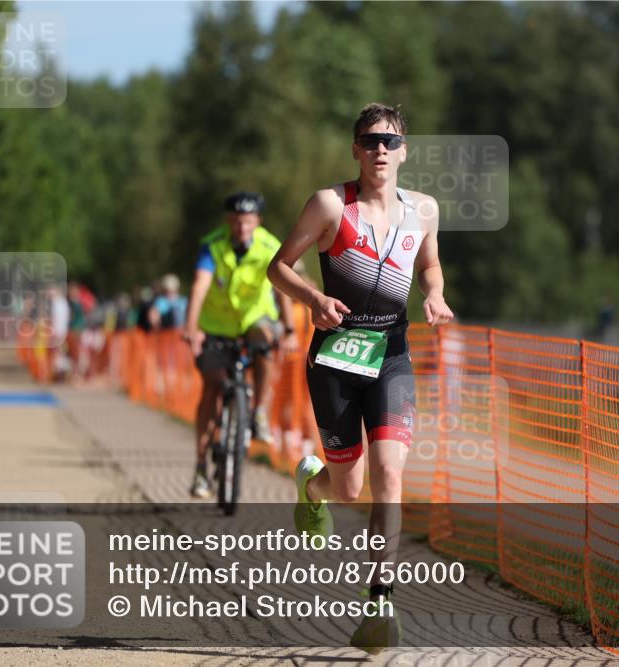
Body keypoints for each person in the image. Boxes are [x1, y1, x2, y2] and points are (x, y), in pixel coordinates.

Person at [267, 103, 454, 653]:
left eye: (390, 142)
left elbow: (430, 265)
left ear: (404, 151)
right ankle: (312, 484)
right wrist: (313, 298)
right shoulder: (330, 204)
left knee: (390, 477)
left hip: (392, 354)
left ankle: (379, 603)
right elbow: (278, 265)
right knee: (348, 487)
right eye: (370, 140)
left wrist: (436, 294)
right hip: (337, 356)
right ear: (355, 149)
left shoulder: (423, 209)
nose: (380, 150)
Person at [183, 191, 297, 499]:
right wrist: (190, 326)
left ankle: (258, 411)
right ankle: (201, 467)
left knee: (265, 342)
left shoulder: (270, 246)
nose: (241, 227)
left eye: (247, 221)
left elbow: (283, 289)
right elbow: (200, 284)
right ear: (227, 221)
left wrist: (289, 329)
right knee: (211, 387)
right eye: (235, 221)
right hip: (216, 326)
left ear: (257, 221)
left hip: (254, 319)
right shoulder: (213, 245)